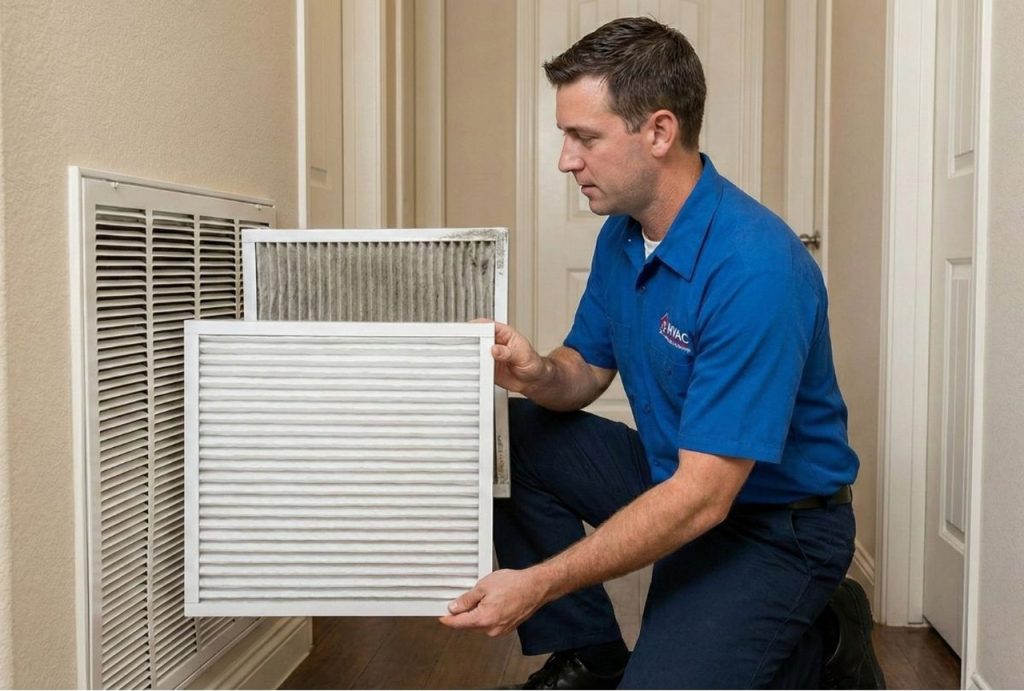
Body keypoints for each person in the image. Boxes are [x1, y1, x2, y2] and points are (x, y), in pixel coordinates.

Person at [439, 16, 885, 690]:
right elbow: (583, 370)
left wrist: (535, 583)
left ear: (658, 131)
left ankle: (820, 634)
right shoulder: (622, 236)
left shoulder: (756, 267)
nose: (566, 159)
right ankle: (591, 652)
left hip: (773, 526)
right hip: (676, 476)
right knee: (510, 432)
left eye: (583, 137)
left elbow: (705, 499)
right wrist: (533, 372)